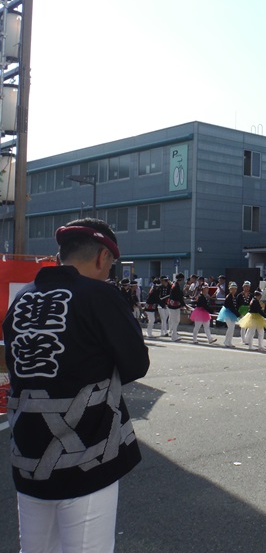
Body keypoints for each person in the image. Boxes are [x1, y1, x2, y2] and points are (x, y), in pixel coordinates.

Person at [3, 218, 150, 552]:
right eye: (110, 264)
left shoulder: (23, 297)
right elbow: (136, 363)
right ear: (102, 257)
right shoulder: (100, 295)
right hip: (86, 454)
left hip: (28, 453)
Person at [166, 273, 189, 342]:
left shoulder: (175, 285)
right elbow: (179, 297)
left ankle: (174, 334)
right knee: (175, 320)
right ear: (181, 279)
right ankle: (174, 336)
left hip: (173, 305)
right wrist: (185, 305)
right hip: (174, 305)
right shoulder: (176, 286)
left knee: (176, 320)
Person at [217, 281, 241, 347]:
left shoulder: (234, 297)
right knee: (230, 327)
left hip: (231, 313)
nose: (234, 290)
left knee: (232, 328)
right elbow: (231, 307)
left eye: (235, 289)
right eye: (232, 289)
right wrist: (238, 315)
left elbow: (234, 307)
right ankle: (226, 341)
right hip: (227, 313)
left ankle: (229, 342)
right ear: (230, 289)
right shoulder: (229, 296)